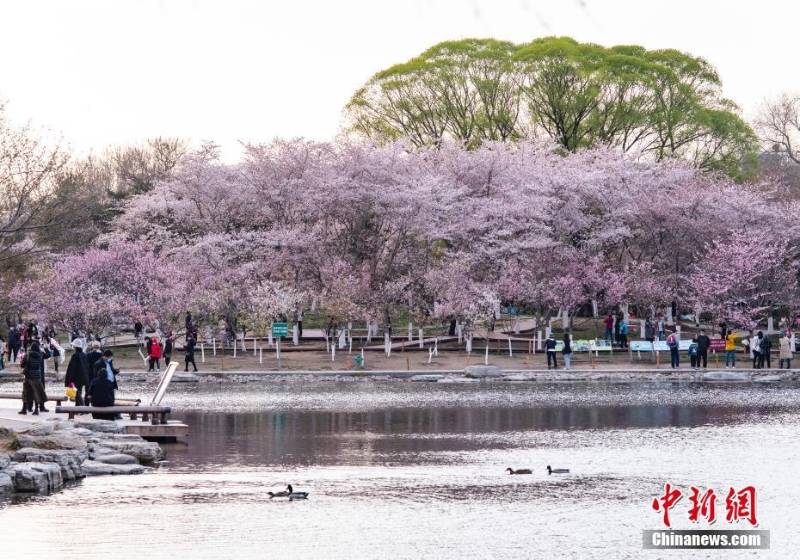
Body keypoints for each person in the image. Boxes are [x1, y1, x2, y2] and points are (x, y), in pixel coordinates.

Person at [89, 350, 118, 420]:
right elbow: (96, 374)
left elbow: (90, 393)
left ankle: (114, 413)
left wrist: (115, 371)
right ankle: (112, 414)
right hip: (104, 383)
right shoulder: (98, 364)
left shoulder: (109, 362)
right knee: (109, 397)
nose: (110, 358)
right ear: (104, 356)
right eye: (109, 357)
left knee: (110, 396)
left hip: (110, 382)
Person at [19, 341, 47, 415]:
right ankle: (36, 410)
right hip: (37, 376)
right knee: (36, 392)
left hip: (28, 376)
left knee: (26, 392)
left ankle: (24, 409)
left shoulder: (27, 355)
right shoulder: (40, 356)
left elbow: (22, 365)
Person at [64, 338, 90, 406]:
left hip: (76, 378)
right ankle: (77, 409)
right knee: (79, 392)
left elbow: (72, 368)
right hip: (84, 377)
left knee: (76, 393)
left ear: (75, 346)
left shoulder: (75, 355)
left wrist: (70, 379)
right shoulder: (84, 355)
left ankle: (83, 407)